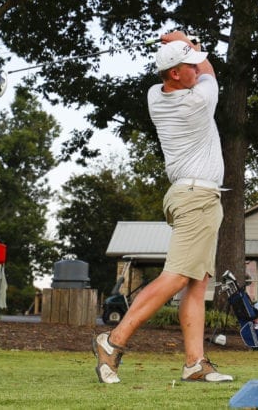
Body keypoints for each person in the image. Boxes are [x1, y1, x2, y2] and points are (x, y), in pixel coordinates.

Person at [92, 30, 233, 384]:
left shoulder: (156, 95)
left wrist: (177, 47)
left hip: (188, 195)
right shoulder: (198, 102)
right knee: (176, 277)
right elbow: (209, 73)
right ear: (175, 73)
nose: (195, 68)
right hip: (197, 198)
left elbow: (192, 68)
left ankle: (195, 362)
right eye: (188, 65)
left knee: (196, 283)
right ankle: (112, 340)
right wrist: (187, 42)